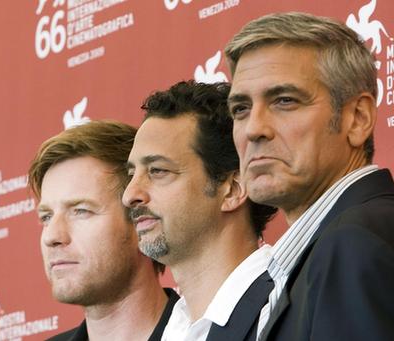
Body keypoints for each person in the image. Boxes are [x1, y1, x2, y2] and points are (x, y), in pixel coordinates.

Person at [225, 12, 394, 341]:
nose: (254, 128)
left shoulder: (356, 244)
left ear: (357, 118)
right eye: (241, 108)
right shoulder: (348, 240)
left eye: (285, 101)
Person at [122, 80, 277, 341]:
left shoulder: (288, 309)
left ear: (233, 189)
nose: (130, 195)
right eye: (131, 174)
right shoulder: (173, 328)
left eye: (158, 171)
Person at [28, 121, 178, 341]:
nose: (52, 236)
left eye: (80, 211)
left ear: (142, 222)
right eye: (46, 217)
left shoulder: (212, 335)